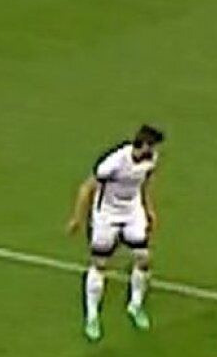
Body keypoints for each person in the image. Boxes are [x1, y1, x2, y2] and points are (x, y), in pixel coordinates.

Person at [66, 124, 164, 342]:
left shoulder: (151, 159)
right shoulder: (113, 163)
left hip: (132, 212)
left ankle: (135, 305)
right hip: (106, 215)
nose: (154, 151)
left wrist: (149, 209)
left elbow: (145, 184)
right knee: (100, 264)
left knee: (143, 258)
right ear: (143, 144)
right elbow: (86, 188)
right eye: (152, 146)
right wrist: (77, 219)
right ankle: (92, 316)